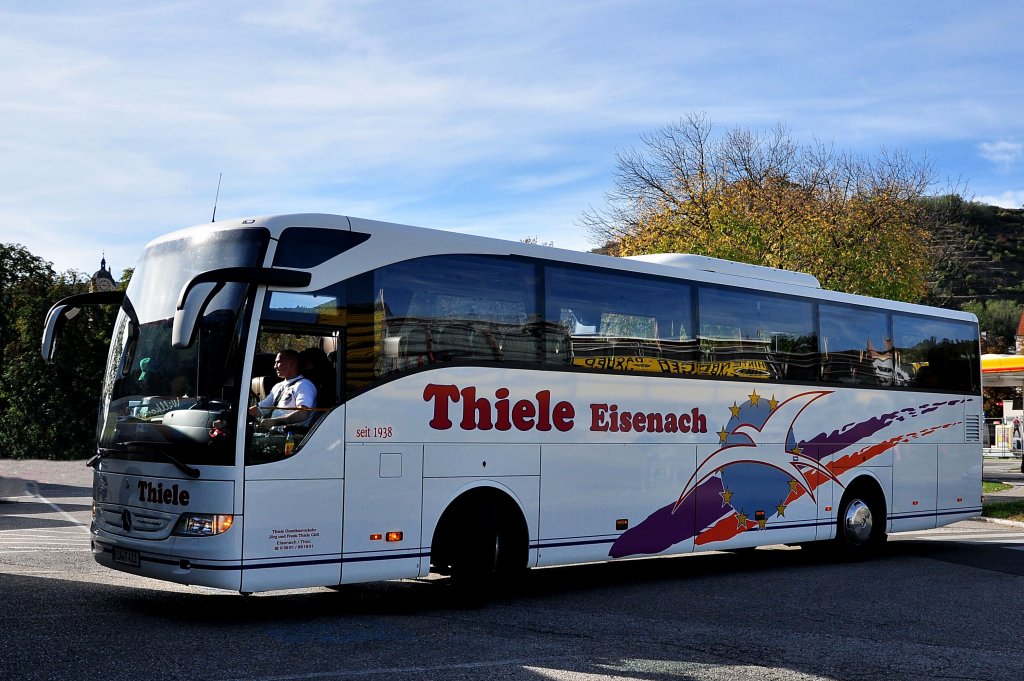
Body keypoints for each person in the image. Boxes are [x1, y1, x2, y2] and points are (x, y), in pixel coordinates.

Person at [247, 349, 317, 430]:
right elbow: (262, 408)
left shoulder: (304, 385)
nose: (275, 366)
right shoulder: (278, 386)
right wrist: (241, 414)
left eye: (278, 362)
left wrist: (275, 422)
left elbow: (303, 413)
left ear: (291, 364)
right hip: (275, 434)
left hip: (293, 436)